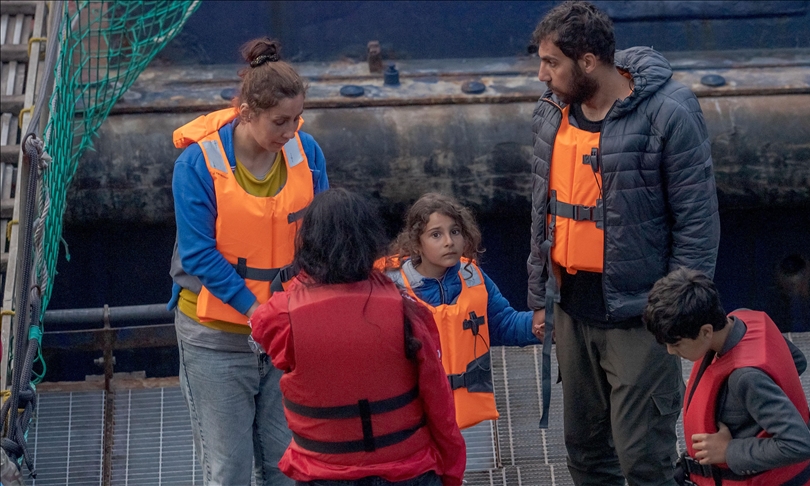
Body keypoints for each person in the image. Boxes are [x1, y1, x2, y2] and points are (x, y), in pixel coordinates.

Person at [526, 2, 721, 484]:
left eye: (552, 62)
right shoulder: (552, 113)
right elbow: (541, 211)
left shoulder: (668, 113)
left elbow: (697, 223)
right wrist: (538, 300)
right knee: (586, 453)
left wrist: (678, 314)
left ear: (588, 61)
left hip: (640, 319)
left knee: (644, 459)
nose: (541, 74)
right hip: (572, 310)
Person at [168, 37, 328, 485]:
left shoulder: (306, 152)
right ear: (247, 112)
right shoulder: (197, 164)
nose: (291, 131)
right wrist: (258, 312)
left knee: (288, 466)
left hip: (285, 333)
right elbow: (199, 254)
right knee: (230, 471)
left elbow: (321, 235)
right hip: (214, 338)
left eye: (298, 119)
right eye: (280, 121)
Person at [250, 188, 466, 485]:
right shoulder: (407, 311)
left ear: (309, 244)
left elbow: (265, 330)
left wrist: (305, 278)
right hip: (408, 471)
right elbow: (440, 406)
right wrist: (451, 473)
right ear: (370, 240)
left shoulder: (280, 317)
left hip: (323, 475)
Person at [643, 268, 810, 486]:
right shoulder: (745, 317)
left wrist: (729, 450)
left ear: (706, 331)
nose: (671, 351)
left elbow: (799, 444)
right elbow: (797, 361)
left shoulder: (745, 378)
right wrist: (751, 415)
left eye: (676, 343)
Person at [383, 193, 540, 430]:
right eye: (436, 234)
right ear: (416, 243)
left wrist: (546, 323)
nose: (449, 241)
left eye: (455, 231)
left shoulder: (473, 276)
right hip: (414, 415)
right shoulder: (389, 287)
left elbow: (503, 324)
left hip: (469, 416)